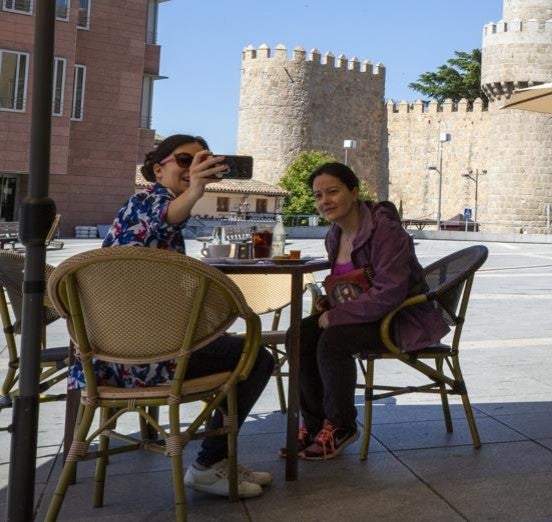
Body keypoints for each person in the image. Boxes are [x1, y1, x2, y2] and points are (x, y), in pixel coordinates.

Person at [71, 134, 276, 499]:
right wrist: (196, 189)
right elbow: (165, 220)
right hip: (147, 360)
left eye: (203, 161)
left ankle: (217, 461)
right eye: (184, 160)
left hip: (108, 358)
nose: (193, 168)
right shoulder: (150, 201)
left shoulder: (137, 206)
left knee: (234, 348)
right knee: (256, 357)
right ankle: (208, 465)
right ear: (158, 168)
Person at [287, 162, 448, 460]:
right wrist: (330, 303)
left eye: (333, 192)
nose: (325, 201)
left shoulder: (385, 231)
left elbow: (390, 291)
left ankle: (341, 425)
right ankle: (314, 425)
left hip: (399, 318)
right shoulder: (334, 235)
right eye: (318, 195)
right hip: (365, 315)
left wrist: (337, 315)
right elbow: (352, 284)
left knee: (333, 341)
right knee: (299, 334)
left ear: (354, 191)